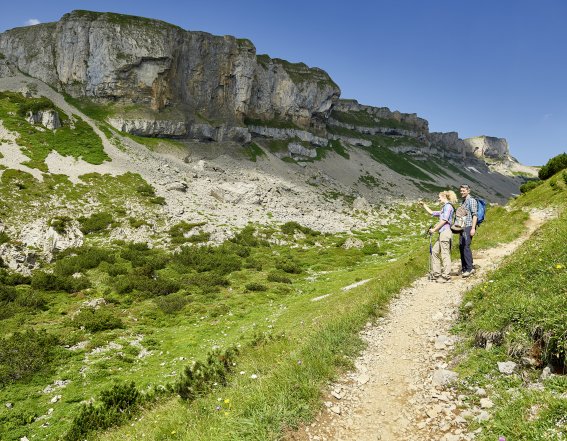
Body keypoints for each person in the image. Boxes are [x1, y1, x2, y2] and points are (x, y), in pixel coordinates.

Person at [421, 190, 457, 283]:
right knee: (434, 251)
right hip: (442, 233)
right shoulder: (443, 208)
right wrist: (424, 205)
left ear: (444, 197)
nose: (438, 198)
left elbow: (444, 220)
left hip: (445, 233)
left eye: (439, 197)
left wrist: (434, 229)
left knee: (445, 254)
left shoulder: (448, 207)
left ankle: (446, 276)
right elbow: (432, 213)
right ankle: (436, 274)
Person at [458, 184, 478, 277]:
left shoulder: (472, 200)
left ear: (468, 191)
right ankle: (465, 267)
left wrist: (473, 228)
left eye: (464, 190)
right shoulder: (463, 201)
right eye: (461, 190)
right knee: (461, 246)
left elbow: (475, 215)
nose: (462, 192)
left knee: (466, 246)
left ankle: (470, 269)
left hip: (469, 226)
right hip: (462, 227)